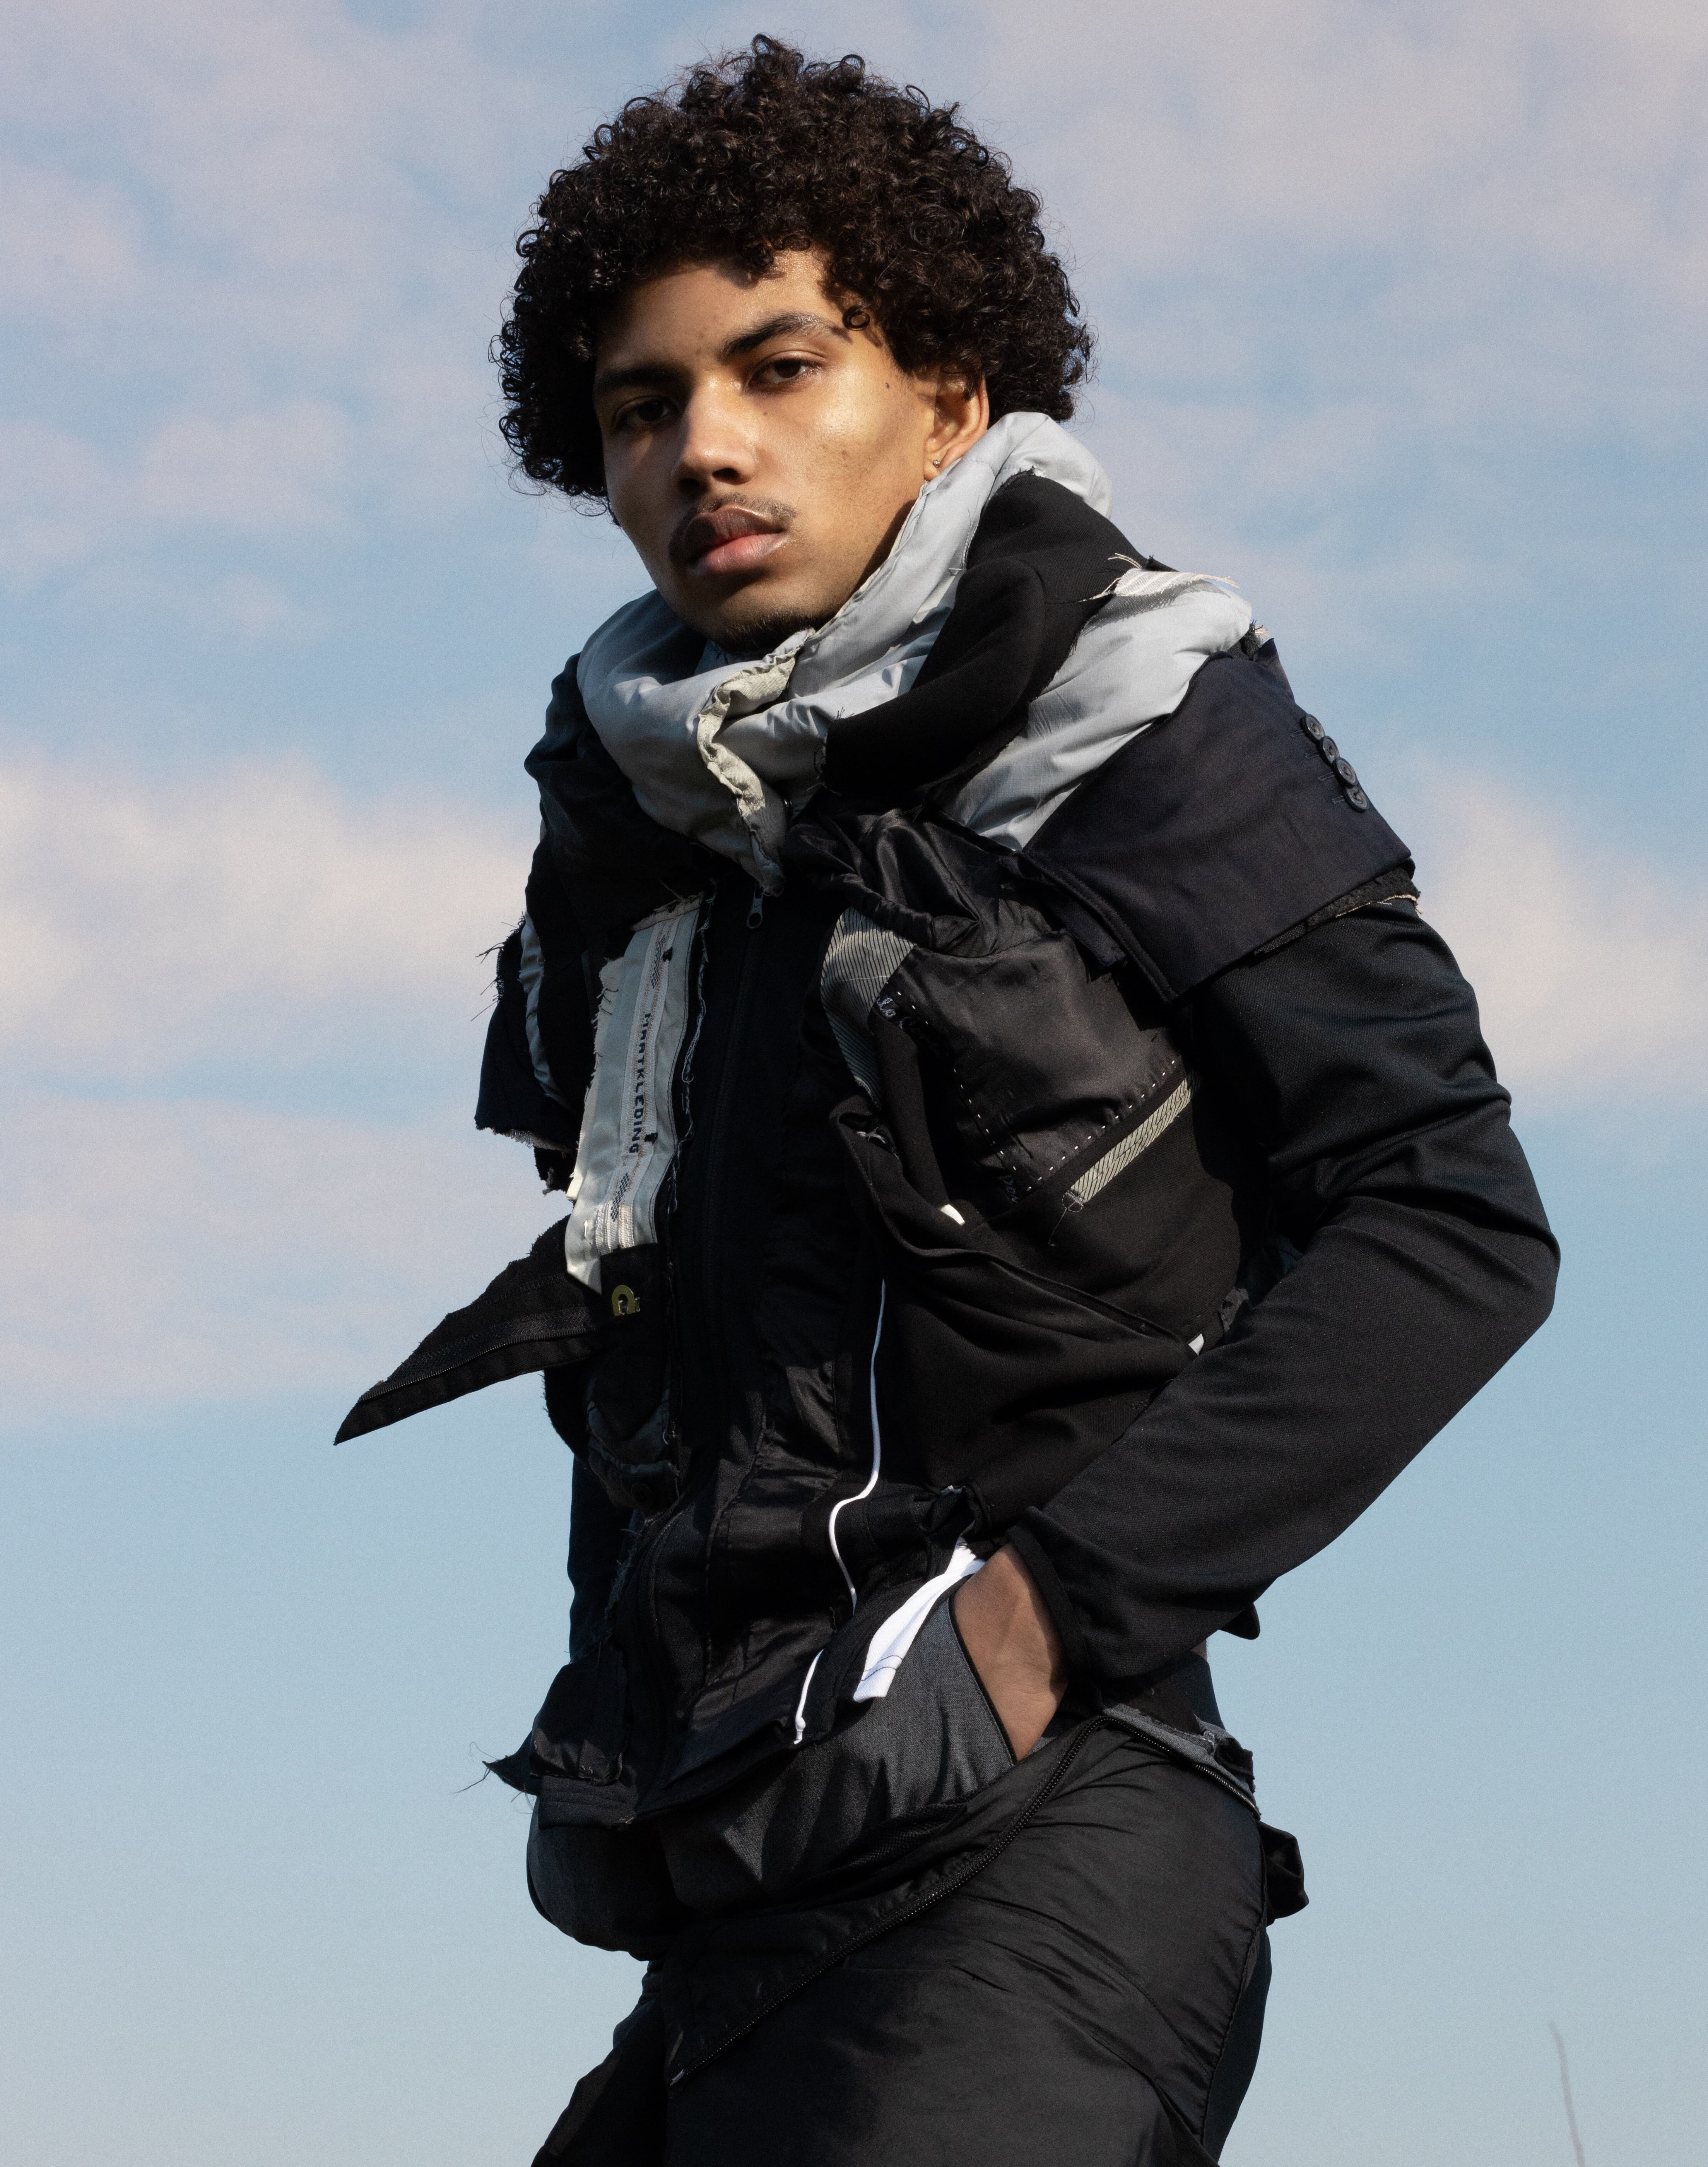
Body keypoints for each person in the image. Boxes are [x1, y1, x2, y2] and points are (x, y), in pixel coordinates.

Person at [338, 37, 1558, 2165]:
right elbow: (648, 1340)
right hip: (735, 1881)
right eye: (643, 405)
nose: (708, 446)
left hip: (1040, 1848)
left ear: (952, 392)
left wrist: (1038, 1626)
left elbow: (1451, 1221)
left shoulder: (1141, 712)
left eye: (781, 366)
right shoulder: (631, 825)